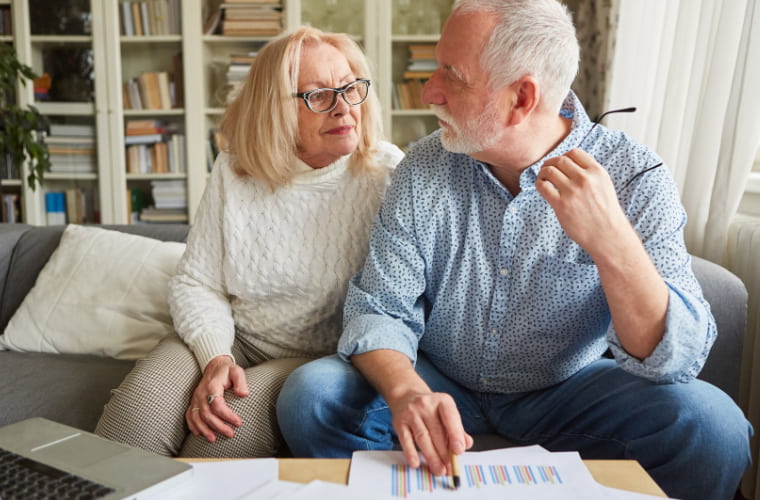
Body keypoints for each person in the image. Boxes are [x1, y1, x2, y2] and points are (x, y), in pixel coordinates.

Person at [275, 2, 751, 499]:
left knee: (713, 430)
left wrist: (613, 243)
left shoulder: (635, 176)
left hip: (571, 389)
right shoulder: (422, 168)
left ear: (521, 98)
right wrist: (408, 391)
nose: (429, 91)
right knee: (313, 397)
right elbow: (379, 307)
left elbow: (677, 360)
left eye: (451, 76)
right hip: (441, 378)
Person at [95, 26, 403, 458]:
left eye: (351, 88)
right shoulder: (235, 168)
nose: (343, 108)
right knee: (133, 423)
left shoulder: (388, 175)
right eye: (318, 95)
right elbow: (197, 282)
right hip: (235, 337)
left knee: (216, 440)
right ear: (274, 109)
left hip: (317, 359)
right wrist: (216, 358)